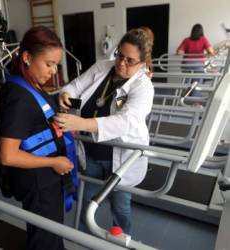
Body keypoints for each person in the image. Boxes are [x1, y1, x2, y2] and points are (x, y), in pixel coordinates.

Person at [55, 28, 154, 235]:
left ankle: (122, 242)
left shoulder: (143, 87)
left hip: (120, 159)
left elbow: (125, 121)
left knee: (120, 208)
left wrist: (81, 123)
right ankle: (81, 239)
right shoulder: (102, 67)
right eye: (119, 55)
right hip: (91, 154)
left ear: (142, 63)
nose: (121, 63)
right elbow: (76, 85)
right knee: (86, 202)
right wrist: (66, 93)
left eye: (130, 60)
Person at [0, 26, 74, 250]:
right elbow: (7, 155)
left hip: (46, 179)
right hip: (39, 182)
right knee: (44, 240)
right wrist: (53, 162)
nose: (53, 71)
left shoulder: (30, 84)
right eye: (49, 64)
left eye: (56, 65)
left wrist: (58, 99)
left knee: (51, 234)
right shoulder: (18, 97)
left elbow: (35, 113)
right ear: (27, 58)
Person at [177, 23, 215, 97]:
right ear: (201, 31)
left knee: (186, 82)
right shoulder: (203, 39)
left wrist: (187, 53)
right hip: (198, 65)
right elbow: (211, 52)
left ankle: (183, 97)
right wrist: (207, 54)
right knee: (197, 83)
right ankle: (195, 100)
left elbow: (179, 52)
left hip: (186, 65)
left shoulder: (186, 40)